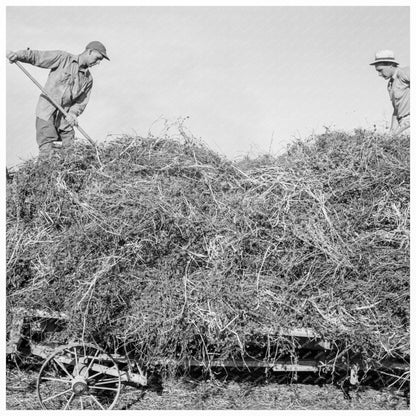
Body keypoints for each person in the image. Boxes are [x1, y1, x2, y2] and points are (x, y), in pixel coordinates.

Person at [6, 41, 110, 158]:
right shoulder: (63, 58)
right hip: (47, 114)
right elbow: (38, 57)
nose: (98, 63)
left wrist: (73, 113)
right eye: (98, 58)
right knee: (48, 153)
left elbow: (81, 102)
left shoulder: (88, 79)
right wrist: (19, 55)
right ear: (90, 52)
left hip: (65, 121)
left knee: (69, 156)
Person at [370, 50, 409, 136]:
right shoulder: (390, 85)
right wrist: (392, 133)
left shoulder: (405, 73)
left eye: (380, 70)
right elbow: (396, 111)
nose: (379, 74)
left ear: (390, 65)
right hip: (403, 123)